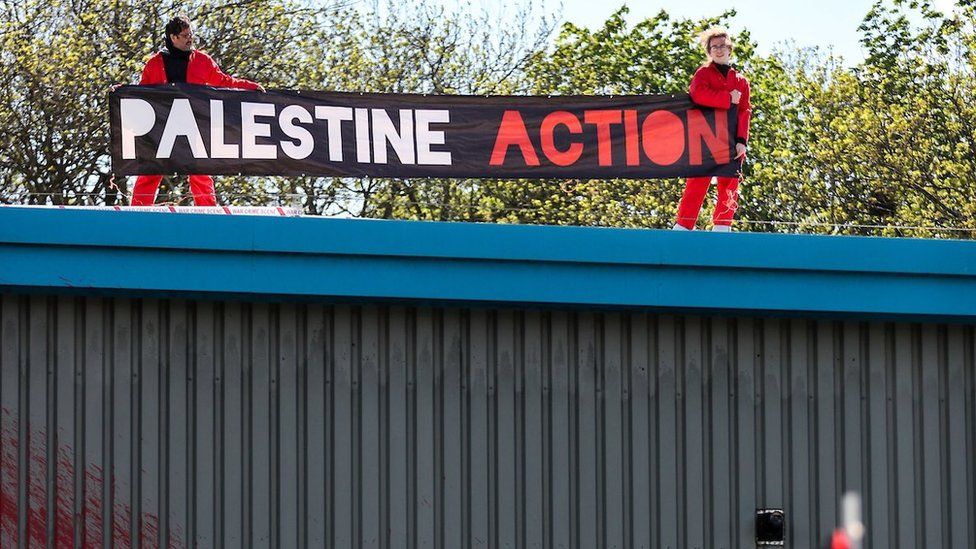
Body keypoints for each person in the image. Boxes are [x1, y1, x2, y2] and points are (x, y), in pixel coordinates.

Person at [131, 15, 265, 206]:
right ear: (173, 37)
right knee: (150, 171)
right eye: (185, 35)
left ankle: (208, 213)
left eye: (191, 34)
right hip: (162, 126)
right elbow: (141, 91)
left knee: (200, 172)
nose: (190, 39)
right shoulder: (154, 63)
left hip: (193, 124)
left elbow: (224, 81)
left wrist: (249, 86)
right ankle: (136, 213)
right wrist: (120, 92)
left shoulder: (202, 60)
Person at [672, 26, 751, 232]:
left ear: (730, 48)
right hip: (705, 137)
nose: (718, 49)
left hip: (731, 140)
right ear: (708, 51)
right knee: (697, 183)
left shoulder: (741, 81)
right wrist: (727, 98)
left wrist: (742, 140)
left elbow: (744, 111)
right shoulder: (703, 74)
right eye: (714, 46)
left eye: (722, 45)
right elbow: (697, 94)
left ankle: (723, 227)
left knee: (730, 184)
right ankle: (683, 226)